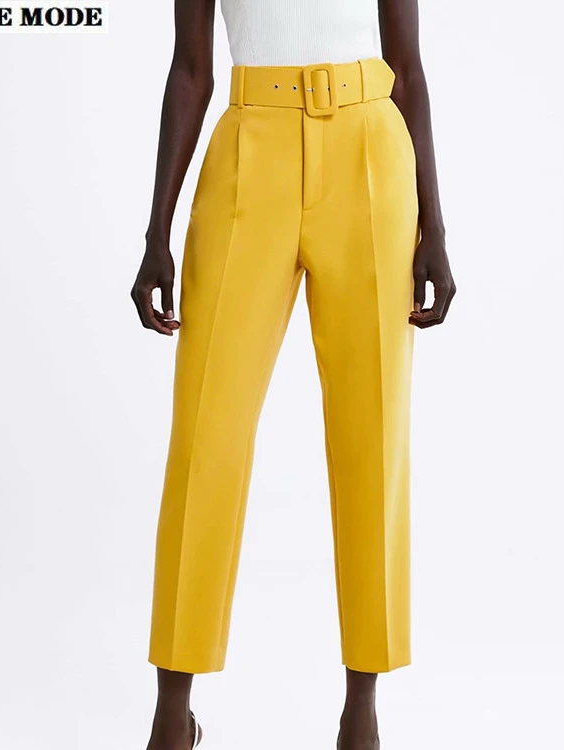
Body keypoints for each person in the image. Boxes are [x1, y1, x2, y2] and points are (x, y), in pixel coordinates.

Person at [131, 0, 456, 747]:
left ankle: (361, 710)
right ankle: (172, 713)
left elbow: (407, 69)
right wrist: (156, 233)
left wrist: (434, 228)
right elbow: (191, 70)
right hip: (250, 155)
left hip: (370, 152)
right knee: (205, 439)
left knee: (371, 435)